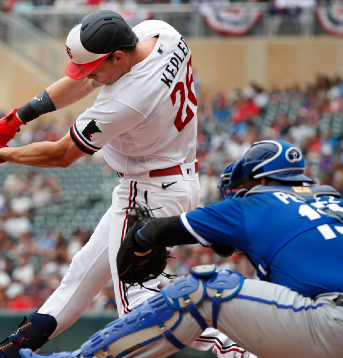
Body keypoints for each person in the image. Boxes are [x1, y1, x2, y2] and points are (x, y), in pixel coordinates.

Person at [0, 10, 246, 358]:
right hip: (167, 180)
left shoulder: (126, 98)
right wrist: (19, 116)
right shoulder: (160, 33)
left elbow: (61, 154)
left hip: (147, 194)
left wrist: (1, 154)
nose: (90, 76)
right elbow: (84, 81)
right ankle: (5, 354)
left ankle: (237, 347)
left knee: (141, 310)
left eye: (95, 67)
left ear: (117, 55)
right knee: (80, 277)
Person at [21, 139, 343, 358]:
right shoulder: (331, 199)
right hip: (322, 318)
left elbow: (158, 230)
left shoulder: (258, 202)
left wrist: (139, 242)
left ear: (259, 179)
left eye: (241, 186)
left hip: (331, 322)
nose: (238, 193)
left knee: (202, 290)